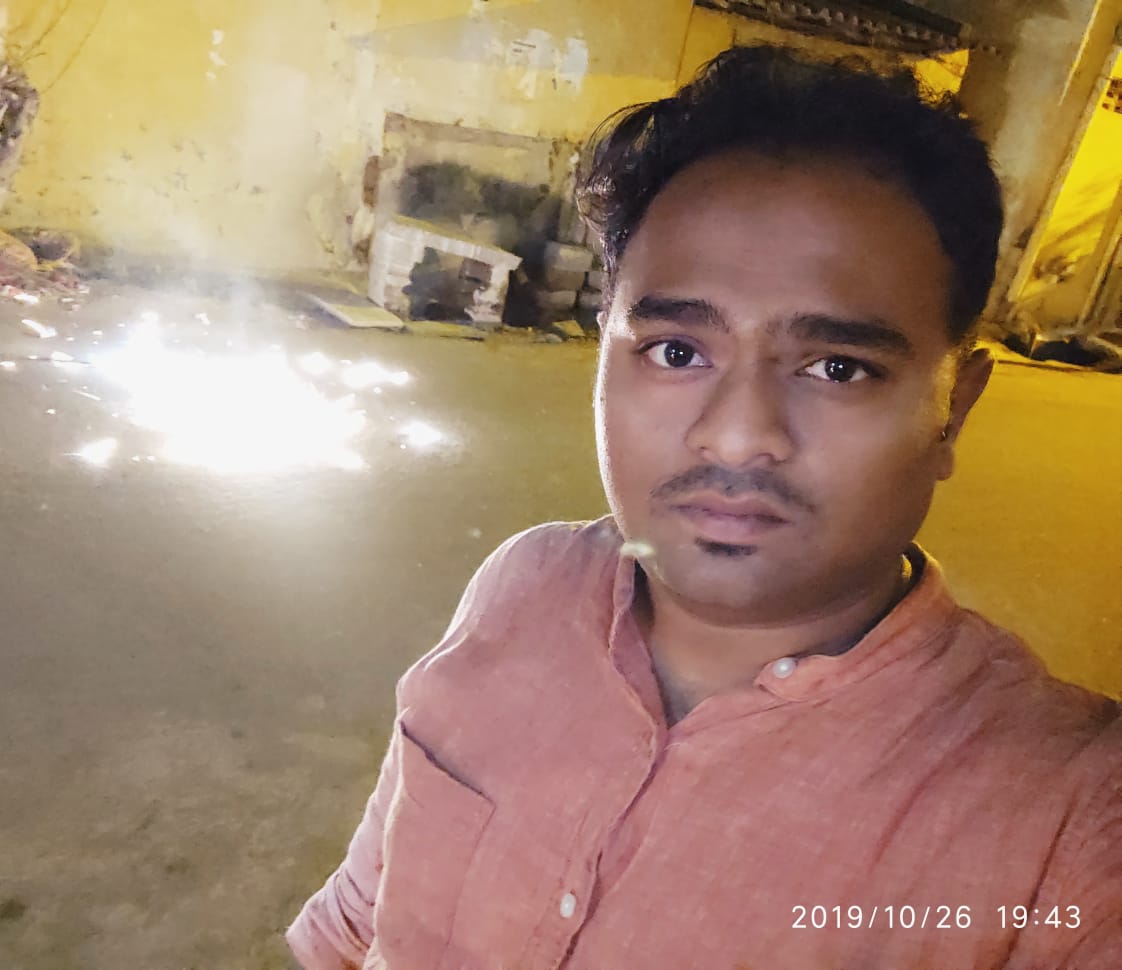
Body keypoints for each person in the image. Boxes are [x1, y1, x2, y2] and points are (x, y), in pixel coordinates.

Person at [287, 45, 1122, 970]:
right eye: (677, 352)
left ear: (953, 410)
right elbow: (359, 925)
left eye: (837, 367)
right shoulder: (521, 585)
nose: (736, 436)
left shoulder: (1067, 816)